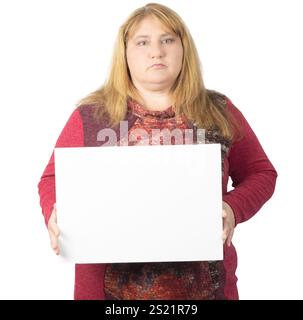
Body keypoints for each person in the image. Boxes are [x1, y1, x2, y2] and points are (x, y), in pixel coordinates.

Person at [38, 3, 277, 300]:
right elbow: (52, 178)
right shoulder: (91, 117)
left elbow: (261, 173)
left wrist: (231, 207)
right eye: (142, 42)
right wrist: (55, 212)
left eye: (167, 40)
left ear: (183, 48)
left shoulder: (219, 112)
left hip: (207, 292)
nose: (156, 51)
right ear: (124, 53)